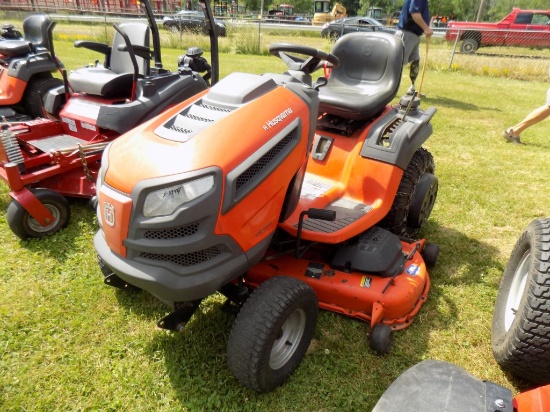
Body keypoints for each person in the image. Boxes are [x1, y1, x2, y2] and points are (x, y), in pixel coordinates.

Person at [396, 0, 434, 94]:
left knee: (415, 61)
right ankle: (389, 88)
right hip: (407, 33)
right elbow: (415, 13)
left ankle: (412, 88)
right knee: (398, 64)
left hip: (414, 35)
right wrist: (426, 28)